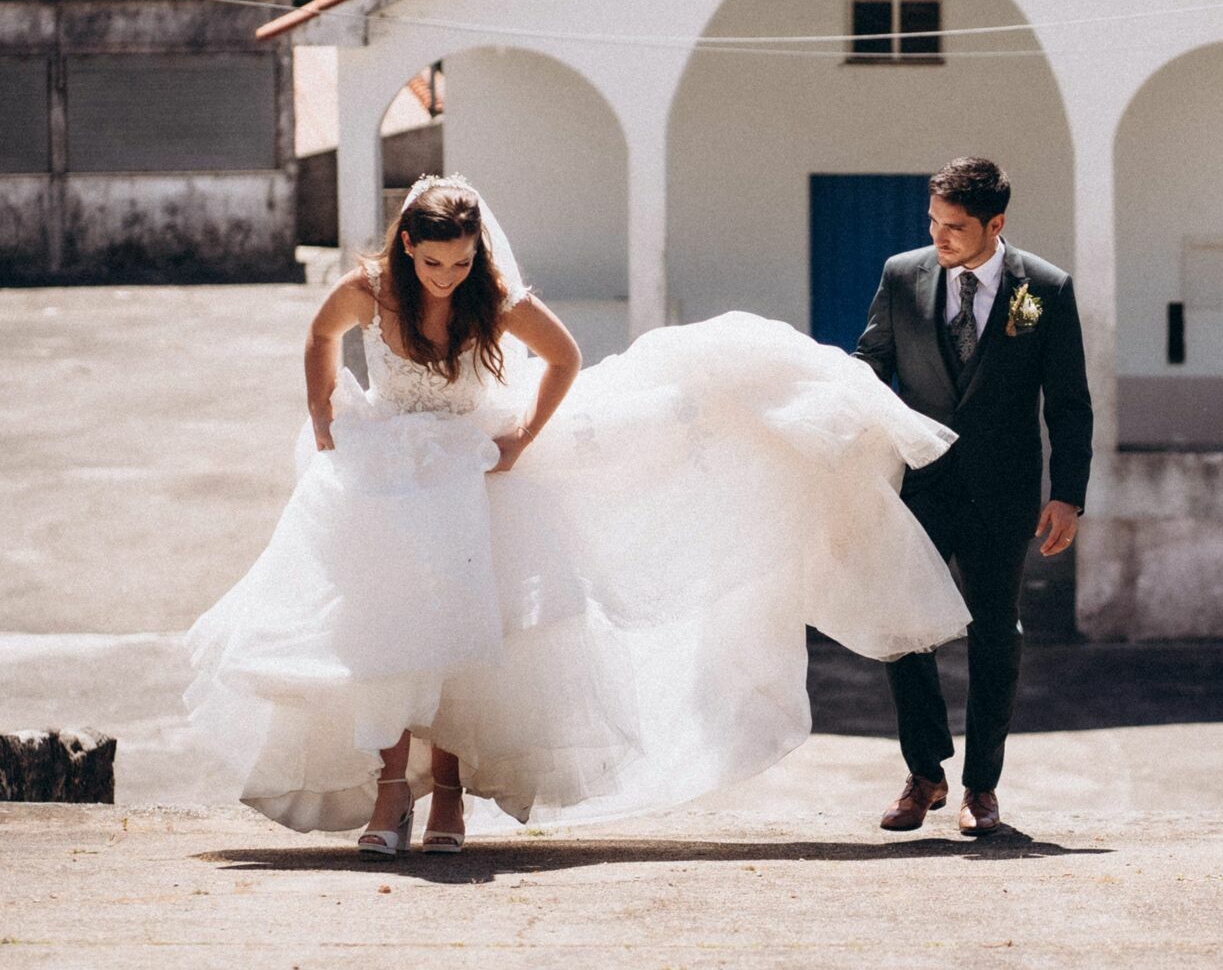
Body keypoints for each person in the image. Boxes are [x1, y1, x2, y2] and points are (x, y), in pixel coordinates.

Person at [184, 175, 971, 856]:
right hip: (388, 481)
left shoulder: (494, 297)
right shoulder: (369, 290)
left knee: (465, 640)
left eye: (461, 263)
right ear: (407, 247)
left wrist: (522, 439)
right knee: (387, 635)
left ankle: (449, 797)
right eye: (433, 263)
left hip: (473, 478)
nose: (447, 278)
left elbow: (562, 357)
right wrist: (322, 412)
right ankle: (392, 797)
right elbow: (320, 335)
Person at [854, 157, 1093, 835]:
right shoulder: (902, 275)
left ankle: (981, 787)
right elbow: (872, 364)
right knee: (904, 624)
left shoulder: (1045, 288)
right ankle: (924, 772)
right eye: (933, 221)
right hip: (920, 484)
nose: (939, 236)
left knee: (994, 633)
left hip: (1002, 492)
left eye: (955, 226)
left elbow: (1069, 402)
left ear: (996, 224)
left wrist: (1067, 494)